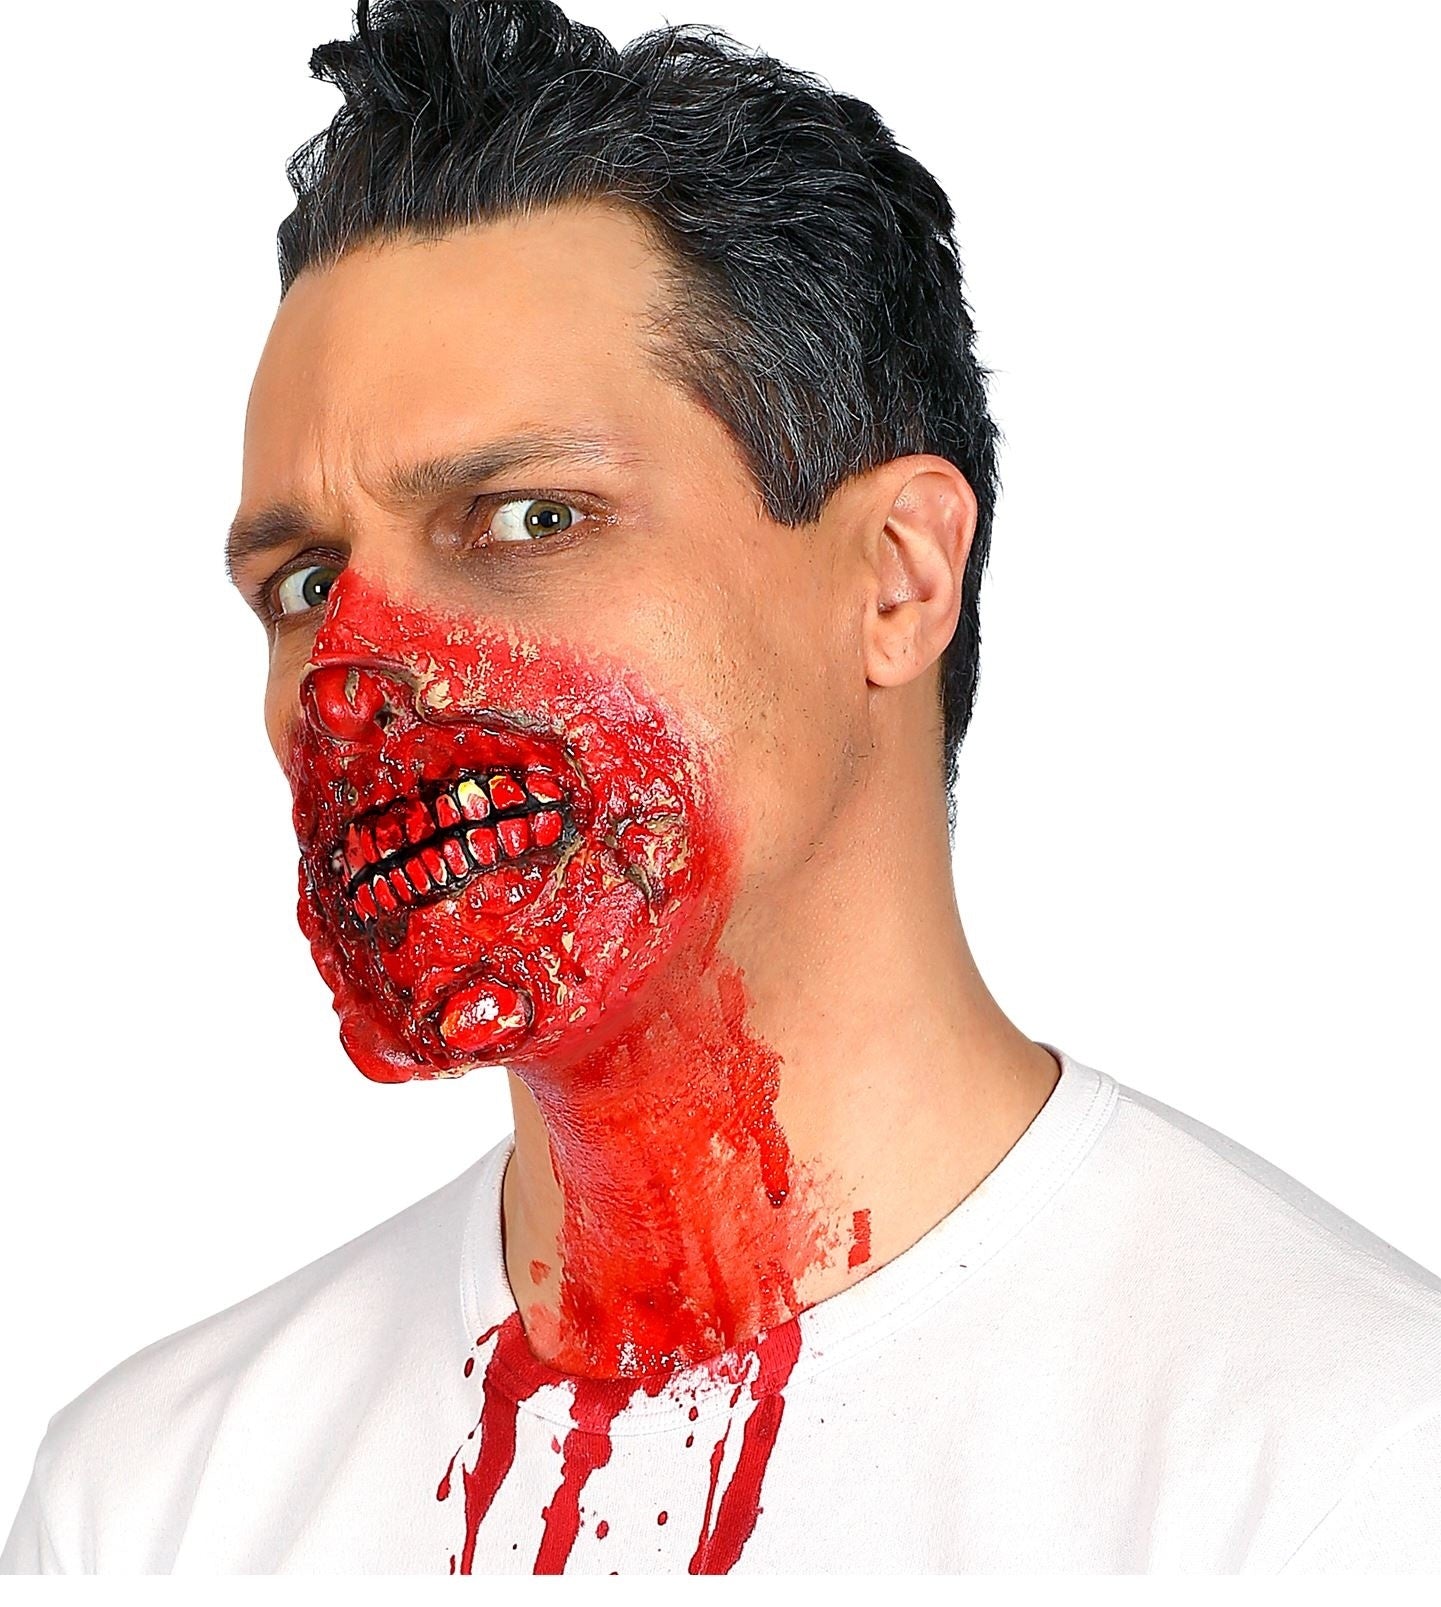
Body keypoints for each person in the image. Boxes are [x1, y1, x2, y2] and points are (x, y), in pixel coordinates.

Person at [3, 0, 1438, 1576]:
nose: (356, 674)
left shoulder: (1341, 1471)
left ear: (894, 579)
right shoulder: (150, 1509)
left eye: (530, 518)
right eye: (303, 582)